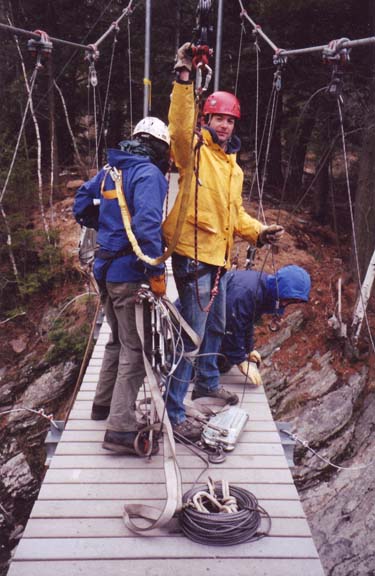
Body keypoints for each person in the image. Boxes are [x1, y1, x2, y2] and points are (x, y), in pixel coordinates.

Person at [162, 43, 285, 440]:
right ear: (207, 117)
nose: (225, 126)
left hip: (218, 259)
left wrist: (258, 231)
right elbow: (179, 129)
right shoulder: (193, 152)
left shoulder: (232, 167)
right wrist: (184, 79)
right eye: (218, 118)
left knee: (216, 325)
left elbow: (233, 216)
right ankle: (173, 409)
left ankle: (207, 382)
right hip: (192, 256)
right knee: (193, 335)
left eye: (230, 120)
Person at [73, 117, 170, 455]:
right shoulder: (148, 175)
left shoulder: (111, 170)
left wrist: (106, 226)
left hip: (105, 267)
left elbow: (81, 204)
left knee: (117, 338)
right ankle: (120, 428)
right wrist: (155, 270)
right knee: (135, 348)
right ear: (160, 147)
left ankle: (102, 406)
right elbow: (147, 225)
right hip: (128, 273)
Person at [219, 265, 311, 385]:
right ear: (281, 288)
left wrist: (248, 349)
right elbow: (232, 326)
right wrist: (241, 361)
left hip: (223, 320)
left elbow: (246, 322)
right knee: (216, 362)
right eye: (288, 299)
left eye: (292, 301)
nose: (286, 303)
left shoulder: (264, 290)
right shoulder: (248, 292)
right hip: (204, 320)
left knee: (224, 365)